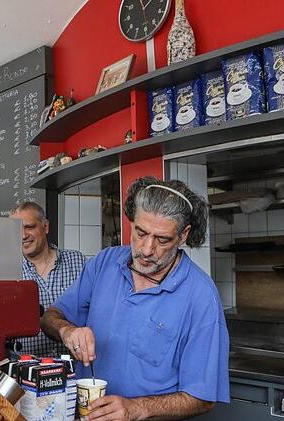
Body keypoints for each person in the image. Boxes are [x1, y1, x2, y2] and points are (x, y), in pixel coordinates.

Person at [41, 176, 229, 420]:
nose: (147, 249)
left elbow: (203, 397)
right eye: (140, 233)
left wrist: (137, 408)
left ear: (183, 235)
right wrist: (67, 331)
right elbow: (50, 317)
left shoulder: (200, 295)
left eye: (162, 239)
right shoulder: (105, 263)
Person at [9, 201, 86, 357]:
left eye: (29, 227)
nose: (23, 235)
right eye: (16, 230)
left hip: (76, 365)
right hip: (29, 368)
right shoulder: (9, 272)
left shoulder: (77, 261)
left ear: (45, 227)